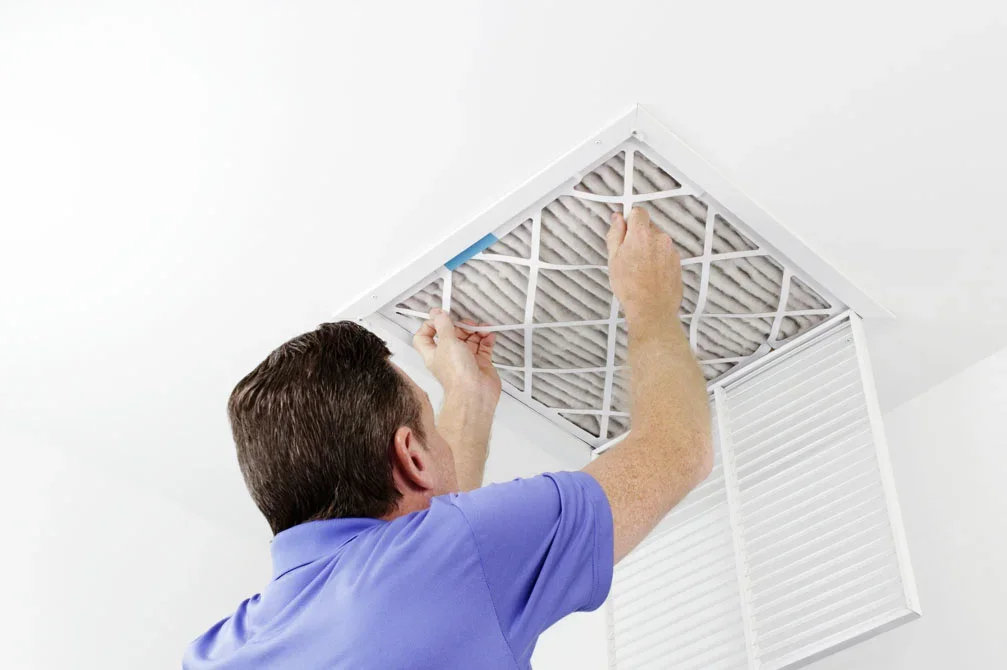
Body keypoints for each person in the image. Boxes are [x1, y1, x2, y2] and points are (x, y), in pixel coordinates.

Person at [183, 207, 713, 669]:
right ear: (411, 457)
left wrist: (467, 396)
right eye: (430, 426)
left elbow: (433, 556)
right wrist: (650, 302)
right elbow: (678, 449)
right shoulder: (449, 558)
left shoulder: (214, 654)